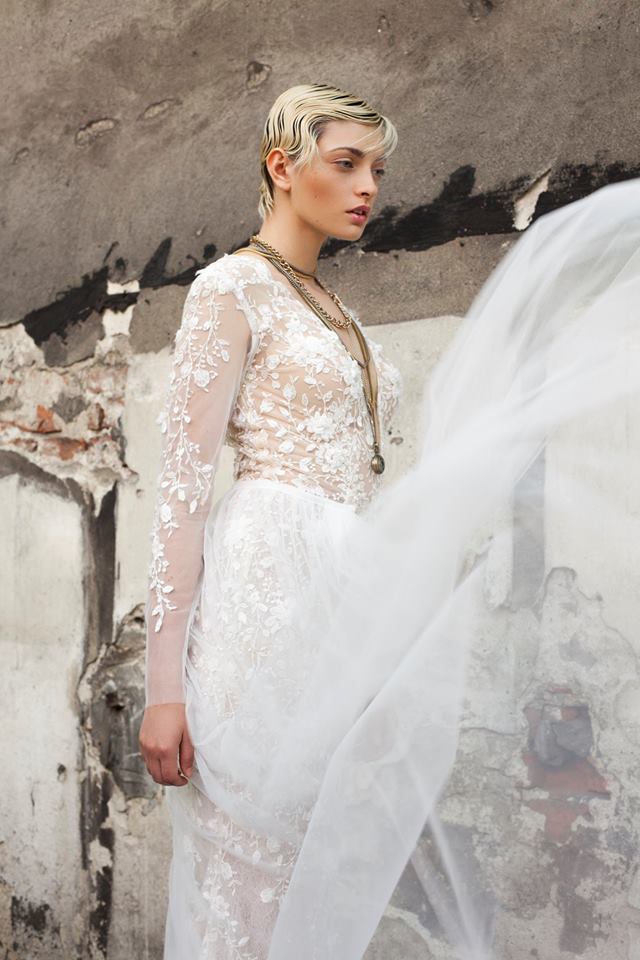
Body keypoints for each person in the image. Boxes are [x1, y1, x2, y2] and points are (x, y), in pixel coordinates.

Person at [139, 82, 402, 958]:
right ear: (282, 168)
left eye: (376, 169)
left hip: (339, 609)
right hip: (262, 600)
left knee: (318, 872)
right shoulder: (231, 288)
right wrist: (164, 691)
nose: (367, 186)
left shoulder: (335, 310)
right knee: (250, 865)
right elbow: (180, 495)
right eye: (347, 163)